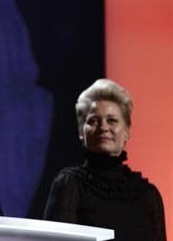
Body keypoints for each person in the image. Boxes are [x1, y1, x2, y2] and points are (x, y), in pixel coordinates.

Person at [43, 79, 166, 241]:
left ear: (127, 130)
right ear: (81, 131)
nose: (103, 127)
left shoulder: (149, 194)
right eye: (93, 121)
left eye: (112, 120)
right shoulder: (69, 184)